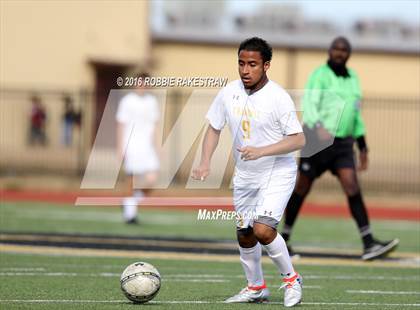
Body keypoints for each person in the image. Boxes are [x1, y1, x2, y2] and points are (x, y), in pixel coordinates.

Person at [192, 37, 305, 307]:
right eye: (241, 63)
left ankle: (292, 280)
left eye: (252, 64)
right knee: (244, 232)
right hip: (246, 175)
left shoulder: (278, 97)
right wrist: (205, 161)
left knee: (263, 230)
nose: (245, 70)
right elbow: (214, 128)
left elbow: (298, 140)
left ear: (266, 66)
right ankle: (256, 287)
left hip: (277, 172)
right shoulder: (229, 92)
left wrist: (262, 150)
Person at [280, 36, 399, 261]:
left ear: (349, 54)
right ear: (330, 51)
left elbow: (355, 113)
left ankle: (369, 243)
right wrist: (318, 127)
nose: (339, 52)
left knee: (352, 186)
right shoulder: (320, 74)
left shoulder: (353, 78)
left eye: (344, 50)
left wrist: (363, 145)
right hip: (317, 139)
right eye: (336, 48)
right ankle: (283, 239)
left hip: (344, 144)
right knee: (301, 187)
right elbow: (310, 103)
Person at [116, 73, 160, 224]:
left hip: (147, 147)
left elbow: (154, 125)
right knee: (131, 181)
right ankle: (130, 215)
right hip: (132, 145)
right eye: (139, 83)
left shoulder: (152, 101)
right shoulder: (127, 101)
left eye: (145, 83)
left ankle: (129, 203)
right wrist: (120, 147)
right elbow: (121, 125)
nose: (142, 86)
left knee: (152, 179)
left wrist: (156, 146)